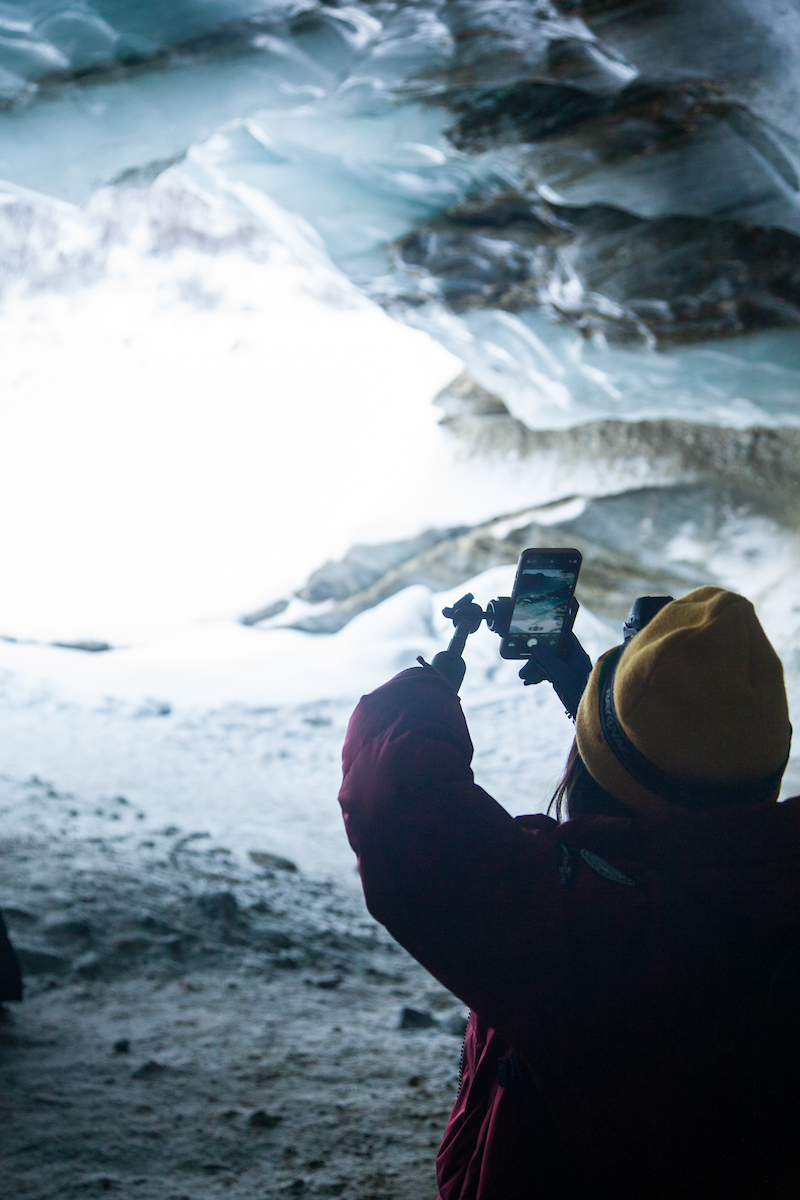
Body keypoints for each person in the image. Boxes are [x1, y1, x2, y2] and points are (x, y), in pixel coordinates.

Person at [337, 586, 800, 1199]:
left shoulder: (594, 932)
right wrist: (592, 696)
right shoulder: (759, 890)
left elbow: (400, 806)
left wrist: (431, 685)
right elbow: (675, 809)